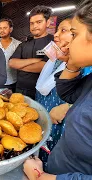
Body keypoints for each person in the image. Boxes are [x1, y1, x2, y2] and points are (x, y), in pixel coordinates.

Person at [24, 0, 92, 179]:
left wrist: (42, 178)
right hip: (57, 164)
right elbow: (68, 93)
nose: (68, 41)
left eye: (74, 34)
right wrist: (71, 62)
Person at [34, 18, 72, 168]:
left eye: (63, 30)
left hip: (63, 127)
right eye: (57, 30)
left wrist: (69, 106)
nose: (55, 35)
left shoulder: (85, 66)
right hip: (47, 119)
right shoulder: (56, 60)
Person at [9, 5, 54, 99]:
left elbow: (44, 67)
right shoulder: (24, 44)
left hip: (41, 92)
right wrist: (34, 60)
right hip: (20, 90)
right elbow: (12, 63)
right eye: (32, 23)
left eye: (39, 22)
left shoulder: (53, 42)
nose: (34, 26)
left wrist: (20, 66)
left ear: (48, 22)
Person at [0, 18, 21, 91]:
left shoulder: (18, 45)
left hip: (13, 82)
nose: (2, 30)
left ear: (11, 29)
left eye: (5, 28)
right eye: (0, 28)